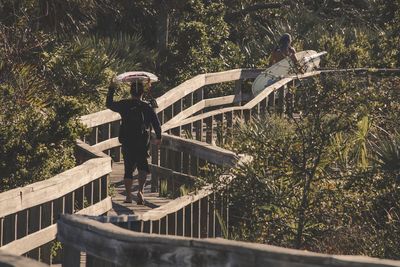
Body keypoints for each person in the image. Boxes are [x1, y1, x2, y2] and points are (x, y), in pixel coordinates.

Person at [106, 79, 162, 204]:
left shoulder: (124, 104)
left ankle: (128, 196)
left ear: (130, 92)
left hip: (127, 140)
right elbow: (156, 123)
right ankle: (141, 191)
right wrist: (158, 137)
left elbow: (109, 104)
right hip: (142, 141)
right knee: (142, 166)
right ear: (142, 92)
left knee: (128, 168)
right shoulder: (147, 106)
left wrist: (112, 88)